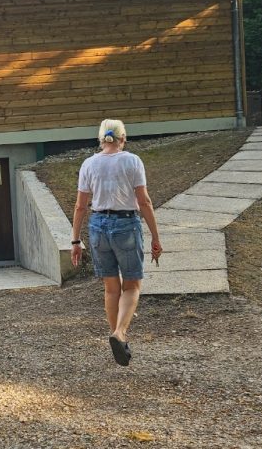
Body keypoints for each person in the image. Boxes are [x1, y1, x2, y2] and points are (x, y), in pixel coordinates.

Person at [71, 119, 162, 366]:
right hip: (125, 225)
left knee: (111, 288)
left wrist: (76, 240)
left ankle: (118, 339)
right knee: (132, 285)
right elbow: (144, 202)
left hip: (98, 226)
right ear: (124, 138)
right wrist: (155, 236)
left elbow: (80, 206)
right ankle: (119, 333)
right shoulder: (132, 161)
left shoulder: (89, 164)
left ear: (100, 139)